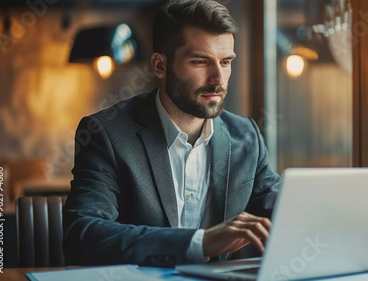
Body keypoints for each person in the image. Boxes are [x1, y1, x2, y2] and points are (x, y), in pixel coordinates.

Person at [62, 0, 281, 267]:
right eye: (200, 62)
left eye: (225, 62)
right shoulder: (106, 134)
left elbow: (284, 213)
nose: (218, 79)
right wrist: (202, 242)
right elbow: (82, 235)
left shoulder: (246, 136)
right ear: (160, 66)